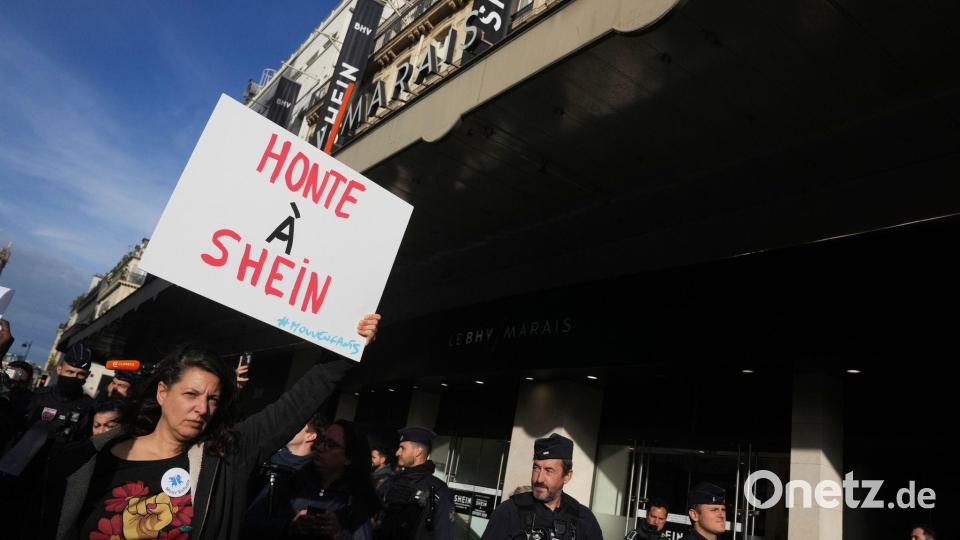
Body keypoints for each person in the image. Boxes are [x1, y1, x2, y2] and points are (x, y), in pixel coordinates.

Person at [35, 313, 380, 539]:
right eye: (191, 394)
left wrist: (345, 344)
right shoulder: (88, 459)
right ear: (162, 392)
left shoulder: (226, 457)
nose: (202, 408)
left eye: (213, 399)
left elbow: (296, 403)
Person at [480, 433, 602, 540]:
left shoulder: (584, 519)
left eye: (549, 470)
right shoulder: (508, 512)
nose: (539, 479)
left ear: (567, 476)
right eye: (536, 468)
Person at [286, 419, 381, 540]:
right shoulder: (295, 480)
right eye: (322, 441)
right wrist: (292, 524)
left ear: (348, 458)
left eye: (330, 445)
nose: (320, 448)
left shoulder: (357, 500)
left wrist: (338, 533)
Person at [243, 412, 326, 538]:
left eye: (299, 424)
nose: (291, 425)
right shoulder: (268, 455)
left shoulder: (312, 473)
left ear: (310, 436)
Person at [376, 427, 454, 540]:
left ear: (418, 452)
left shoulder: (438, 490)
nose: (397, 453)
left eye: (402, 448)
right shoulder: (392, 481)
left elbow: (444, 534)